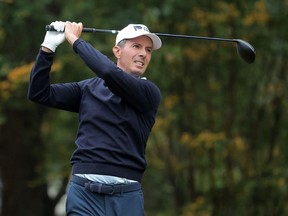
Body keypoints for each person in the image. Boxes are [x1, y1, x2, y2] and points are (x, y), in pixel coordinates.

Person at [28, 21, 162, 216]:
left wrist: (74, 39)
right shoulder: (87, 89)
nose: (144, 53)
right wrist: (48, 48)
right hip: (84, 195)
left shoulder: (149, 93)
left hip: (126, 197)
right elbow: (38, 93)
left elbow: (109, 72)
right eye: (136, 46)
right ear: (117, 51)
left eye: (148, 50)